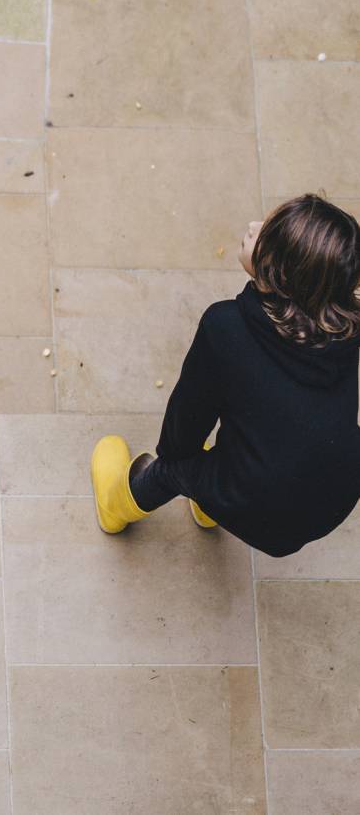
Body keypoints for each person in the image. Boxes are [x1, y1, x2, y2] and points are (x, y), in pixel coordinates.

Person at [91, 194, 360, 557]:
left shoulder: (227, 327)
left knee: (175, 466)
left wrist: (177, 457)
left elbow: (184, 426)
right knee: (265, 433)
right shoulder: (348, 329)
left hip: (257, 505)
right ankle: (208, 504)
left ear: (278, 275)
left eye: (266, 234)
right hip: (331, 500)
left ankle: (117, 504)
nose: (252, 227)